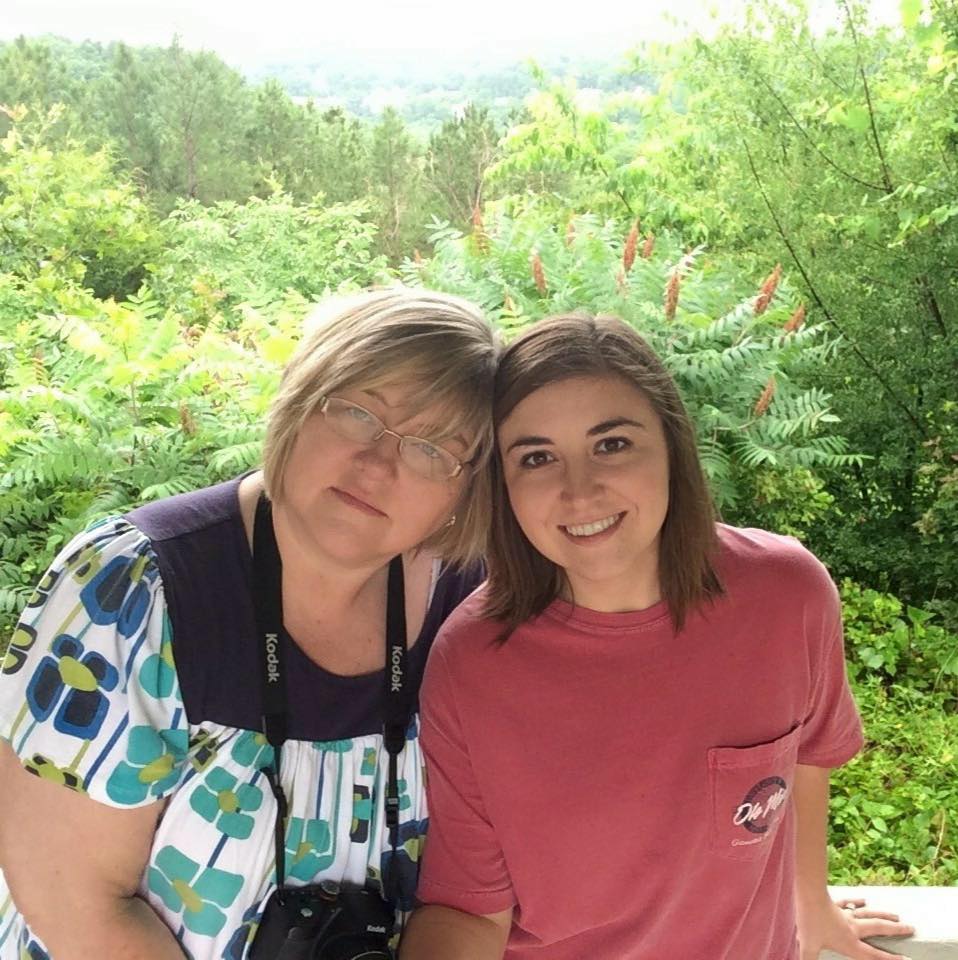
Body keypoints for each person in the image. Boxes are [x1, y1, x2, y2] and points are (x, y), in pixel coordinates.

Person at [0, 287, 499, 960]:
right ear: (298, 397)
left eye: (433, 449)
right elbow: (76, 903)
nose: (379, 464)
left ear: (465, 489)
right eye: (357, 413)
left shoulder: (474, 609)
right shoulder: (135, 588)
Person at [402, 313, 915, 960]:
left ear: (673, 446)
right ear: (503, 489)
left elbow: (807, 753)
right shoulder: (470, 663)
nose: (579, 490)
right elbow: (470, 909)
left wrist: (809, 903)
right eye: (536, 458)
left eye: (612, 444)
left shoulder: (787, 596)